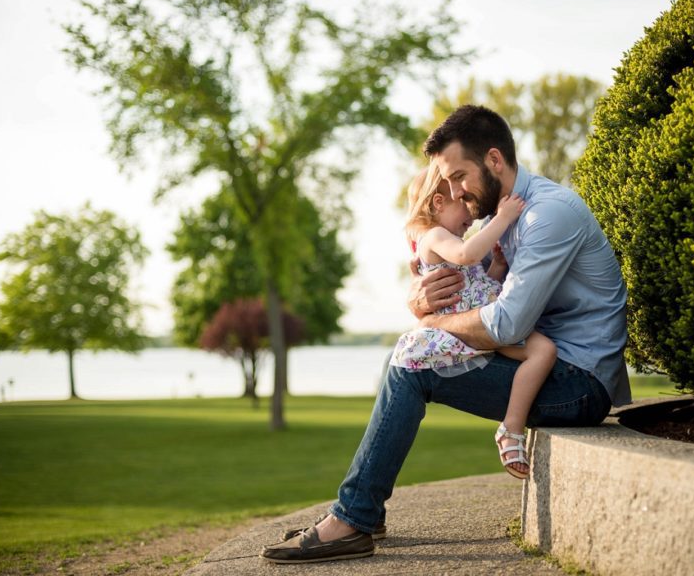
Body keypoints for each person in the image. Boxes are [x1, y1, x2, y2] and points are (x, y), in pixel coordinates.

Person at [262, 105, 629, 565]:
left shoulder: (546, 217)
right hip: (545, 365)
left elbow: (505, 325)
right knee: (406, 359)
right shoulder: (508, 217)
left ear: (494, 161)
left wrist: (430, 323)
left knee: (413, 368)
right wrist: (421, 298)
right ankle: (364, 510)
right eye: (447, 182)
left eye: (459, 176)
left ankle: (352, 520)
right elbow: (473, 289)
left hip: (577, 384)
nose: (453, 191)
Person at [391, 163, 557, 478]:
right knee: (543, 352)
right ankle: (512, 427)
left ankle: (511, 427)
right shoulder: (434, 236)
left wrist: (496, 264)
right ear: (438, 203)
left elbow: (476, 284)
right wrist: (503, 219)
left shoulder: (447, 237)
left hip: (482, 323)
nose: (471, 212)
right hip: (473, 327)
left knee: (543, 353)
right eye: (462, 203)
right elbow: (467, 254)